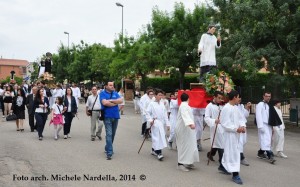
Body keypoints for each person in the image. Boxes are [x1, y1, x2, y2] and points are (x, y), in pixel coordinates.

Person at [220, 90, 246, 185]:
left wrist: (243, 126)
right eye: (238, 97)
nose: (239, 99)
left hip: (236, 135)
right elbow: (225, 123)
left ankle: (222, 166)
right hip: (229, 135)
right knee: (233, 154)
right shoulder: (226, 108)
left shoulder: (235, 108)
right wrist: (236, 129)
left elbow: (241, 118)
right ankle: (235, 174)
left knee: (232, 152)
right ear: (234, 97)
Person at [204, 91, 230, 174]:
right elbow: (206, 118)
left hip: (222, 127)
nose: (220, 99)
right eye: (218, 98)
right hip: (215, 127)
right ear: (214, 97)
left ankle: (210, 154)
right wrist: (214, 120)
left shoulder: (222, 106)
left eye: (221, 98)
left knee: (217, 144)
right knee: (221, 145)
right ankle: (222, 165)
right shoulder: (209, 106)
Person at [175, 93, 199, 171]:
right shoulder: (184, 106)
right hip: (183, 129)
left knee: (190, 145)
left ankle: (188, 162)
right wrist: (190, 124)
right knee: (183, 146)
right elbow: (185, 115)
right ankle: (180, 163)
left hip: (187, 129)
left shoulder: (185, 105)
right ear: (188, 99)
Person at [100, 81, 123, 160]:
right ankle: (109, 152)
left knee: (112, 134)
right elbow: (105, 103)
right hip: (107, 116)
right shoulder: (102, 93)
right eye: (110, 85)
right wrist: (115, 102)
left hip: (116, 116)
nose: (112, 86)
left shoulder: (115, 93)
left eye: (112, 85)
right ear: (106, 86)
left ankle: (107, 147)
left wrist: (110, 101)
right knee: (109, 134)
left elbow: (121, 101)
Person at [145, 88, 169, 161]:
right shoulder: (152, 104)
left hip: (161, 123)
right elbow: (147, 112)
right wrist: (150, 120)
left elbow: (165, 114)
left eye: (161, 95)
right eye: (159, 95)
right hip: (155, 122)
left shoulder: (162, 103)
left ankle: (153, 149)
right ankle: (159, 153)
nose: (160, 97)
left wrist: (168, 123)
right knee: (157, 137)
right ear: (155, 95)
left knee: (161, 136)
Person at [256, 91, 276, 164]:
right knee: (265, 140)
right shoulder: (260, 104)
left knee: (268, 140)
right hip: (263, 125)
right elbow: (258, 116)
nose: (268, 97)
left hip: (269, 125)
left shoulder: (269, 105)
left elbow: (271, 116)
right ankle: (270, 155)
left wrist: (272, 126)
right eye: (267, 96)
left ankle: (260, 152)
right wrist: (260, 126)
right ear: (263, 96)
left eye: (269, 96)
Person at [237, 97, 251, 166]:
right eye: (238, 97)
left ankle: (212, 152)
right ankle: (241, 157)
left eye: (240, 98)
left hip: (243, 126)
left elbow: (245, 115)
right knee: (240, 142)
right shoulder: (232, 107)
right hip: (238, 127)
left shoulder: (241, 106)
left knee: (244, 141)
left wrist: (247, 108)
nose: (239, 99)